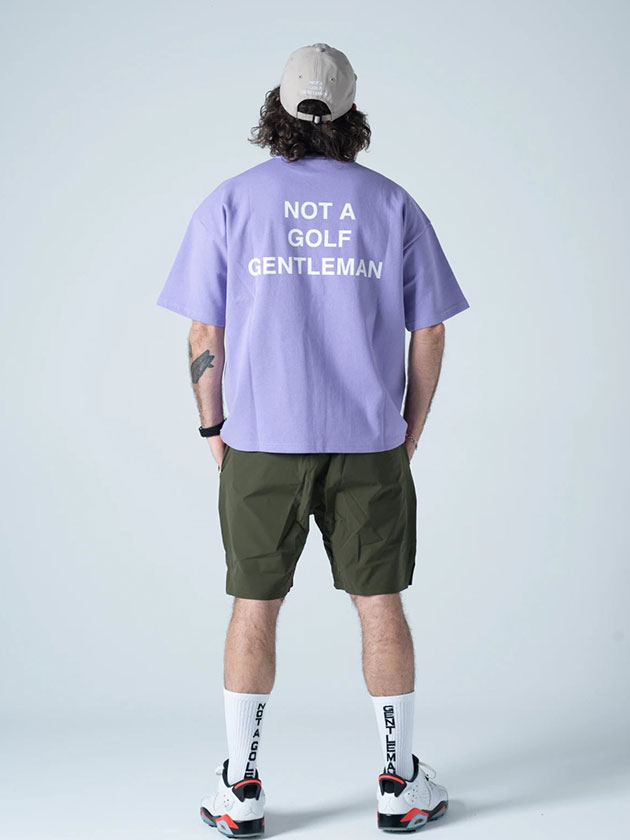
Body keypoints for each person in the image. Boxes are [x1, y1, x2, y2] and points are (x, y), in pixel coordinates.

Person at [156, 42, 469, 836]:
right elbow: (430, 329)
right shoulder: (391, 203)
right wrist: (408, 431)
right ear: (352, 110)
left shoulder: (232, 201)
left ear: (278, 107)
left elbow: (203, 330)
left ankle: (242, 789)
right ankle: (398, 783)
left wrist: (214, 426)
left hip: (261, 441)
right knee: (380, 603)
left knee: (253, 607)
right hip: (368, 442)